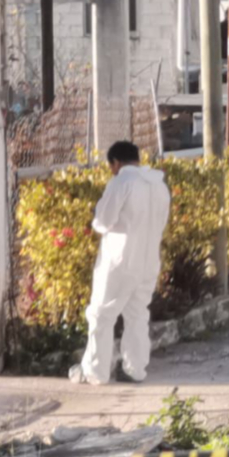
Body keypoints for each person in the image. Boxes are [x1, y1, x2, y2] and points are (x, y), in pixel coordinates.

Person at [70, 141, 172, 385]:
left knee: (101, 315)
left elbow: (103, 221)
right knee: (137, 314)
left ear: (115, 163)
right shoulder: (159, 185)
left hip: (120, 261)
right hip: (149, 261)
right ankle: (135, 369)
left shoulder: (121, 183)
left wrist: (96, 223)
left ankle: (95, 371)